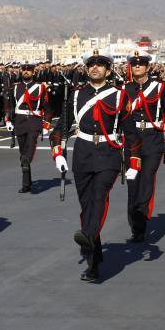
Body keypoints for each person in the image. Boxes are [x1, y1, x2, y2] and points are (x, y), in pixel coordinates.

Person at [50, 49, 140, 281]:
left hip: (109, 154)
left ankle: (88, 237)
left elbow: (131, 132)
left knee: (99, 197)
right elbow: (61, 127)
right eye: (91, 64)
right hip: (82, 153)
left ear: (108, 71)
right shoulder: (76, 96)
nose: (95, 67)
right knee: (87, 206)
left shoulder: (119, 96)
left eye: (100, 65)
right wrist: (58, 153)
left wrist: (134, 162)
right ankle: (94, 261)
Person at [122, 50, 165, 243]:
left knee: (146, 181)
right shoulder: (124, 90)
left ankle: (140, 225)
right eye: (134, 64)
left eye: (141, 64)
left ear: (148, 67)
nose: (137, 67)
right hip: (131, 140)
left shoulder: (160, 88)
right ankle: (134, 222)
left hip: (153, 140)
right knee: (132, 184)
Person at [4, 62, 53, 193]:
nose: (26, 72)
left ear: (33, 72)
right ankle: (26, 184)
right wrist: (8, 120)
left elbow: (47, 108)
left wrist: (46, 125)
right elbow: (9, 106)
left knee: (30, 145)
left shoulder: (40, 88)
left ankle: (26, 162)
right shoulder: (15, 87)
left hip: (34, 121)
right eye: (24, 70)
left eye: (29, 70)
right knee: (23, 152)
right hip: (19, 121)